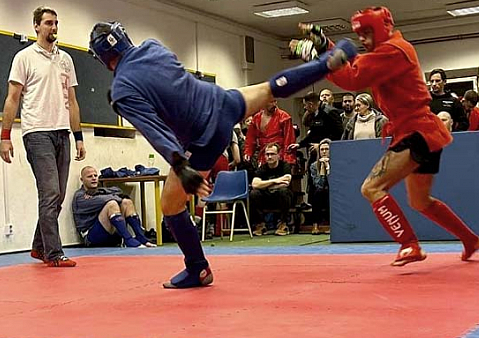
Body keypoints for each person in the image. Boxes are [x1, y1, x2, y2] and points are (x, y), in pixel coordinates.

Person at [89, 21, 356, 288]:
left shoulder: (122, 90)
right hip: (221, 102)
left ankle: (198, 268)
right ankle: (325, 64)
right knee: (269, 89)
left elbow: (154, 131)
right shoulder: (151, 46)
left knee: (171, 204)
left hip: (203, 137)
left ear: (103, 59)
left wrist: (181, 166)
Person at [290, 6, 479, 266]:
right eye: (360, 33)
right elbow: (355, 63)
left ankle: (409, 244)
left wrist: (317, 57)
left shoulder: (392, 51)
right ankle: (471, 240)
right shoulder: (391, 49)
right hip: (423, 132)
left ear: (382, 28)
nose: (362, 38)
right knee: (419, 201)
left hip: (415, 132)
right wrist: (326, 43)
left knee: (371, 188)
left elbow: (351, 76)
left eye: (367, 32)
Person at [0, 6, 86, 268]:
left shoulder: (66, 60)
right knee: (49, 192)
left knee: (58, 195)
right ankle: (53, 252)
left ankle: (39, 246)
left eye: (56, 23)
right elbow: (13, 98)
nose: (53, 28)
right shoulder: (24, 57)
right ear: (36, 26)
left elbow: (72, 100)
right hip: (37, 132)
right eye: (48, 23)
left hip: (62, 132)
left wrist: (79, 136)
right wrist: (5, 136)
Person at [72, 166, 156, 248]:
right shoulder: (80, 197)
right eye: (90, 176)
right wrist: (116, 197)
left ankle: (141, 237)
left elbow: (118, 190)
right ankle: (128, 239)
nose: (94, 178)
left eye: (95, 175)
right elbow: (106, 199)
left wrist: (101, 192)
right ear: (82, 180)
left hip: (109, 233)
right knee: (111, 204)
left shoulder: (99, 191)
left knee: (127, 202)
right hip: (92, 237)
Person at [250, 143, 294, 236]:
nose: (269, 157)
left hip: (281, 198)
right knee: (254, 193)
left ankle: (283, 224)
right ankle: (260, 225)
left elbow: (286, 182)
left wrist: (265, 185)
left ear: (278, 155)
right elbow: (254, 184)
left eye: (272, 154)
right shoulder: (262, 168)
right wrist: (276, 180)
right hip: (267, 198)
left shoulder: (285, 166)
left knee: (284, 191)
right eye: (267, 154)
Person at [244, 99, 296, 165]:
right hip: (263, 156)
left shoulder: (284, 117)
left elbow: (289, 140)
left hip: (280, 156)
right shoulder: (256, 118)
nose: (274, 104)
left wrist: (288, 159)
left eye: (275, 101)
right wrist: (248, 152)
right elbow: (250, 138)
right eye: (271, 102)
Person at [309, 138, 331, 234]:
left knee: (330, 193)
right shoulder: (314, 166)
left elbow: (335, 183)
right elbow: (319, 185)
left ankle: (332, 225)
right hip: (321, 192)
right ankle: (315, 225)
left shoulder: (338, 163)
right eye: (322, 150)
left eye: (327, 149)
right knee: (318, 193)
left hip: (334, 190)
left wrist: (328, 168)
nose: (324, 152)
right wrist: (322, 169)